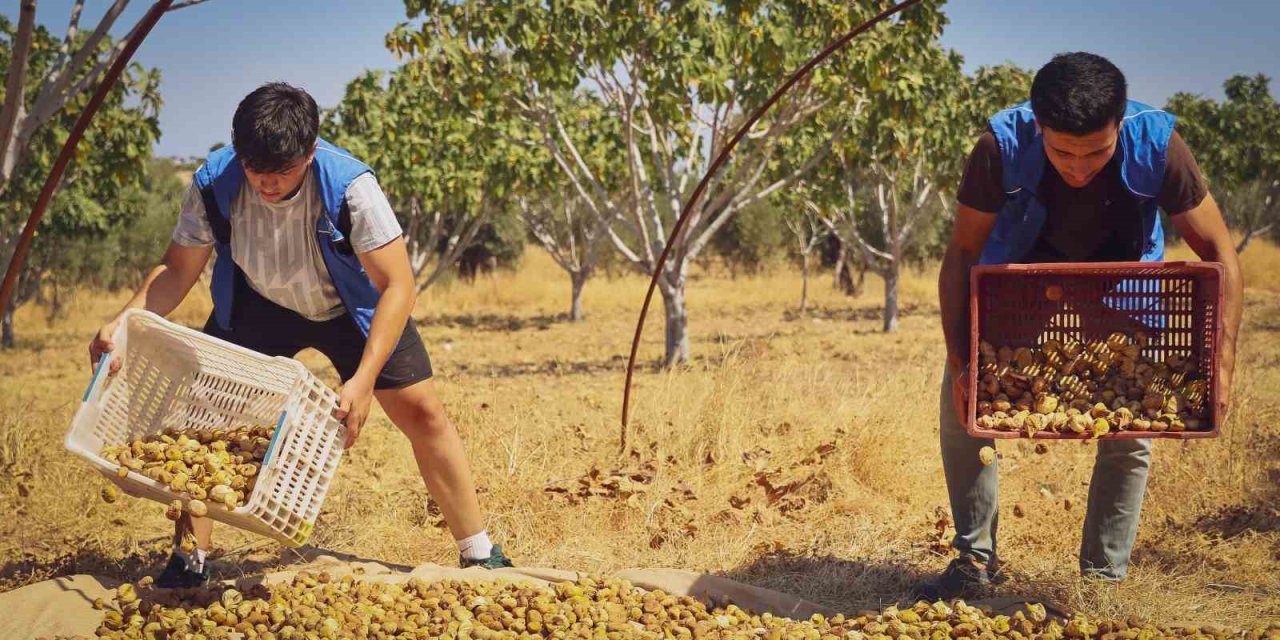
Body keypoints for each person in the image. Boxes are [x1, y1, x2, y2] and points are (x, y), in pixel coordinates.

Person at [88, 82, 512, 587]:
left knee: (423, 413)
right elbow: (177, 270)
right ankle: (190, 560)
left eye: (282, 172)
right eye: (255, 171)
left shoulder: (351, 187)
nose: (266, 185)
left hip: (348, 307)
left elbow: (398, 284)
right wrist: (125, 319)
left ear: (310, 152)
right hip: (257, 302)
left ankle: (478, 551)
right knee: (200, 418)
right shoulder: (211, 184)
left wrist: (363, 379)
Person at [917, 52, 1243, 600]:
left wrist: (1224, 363)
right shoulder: (1001, 147)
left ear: (1120, 123)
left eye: (1096, 151)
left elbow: (1220, 252)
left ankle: (1103, 580)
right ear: (1039, 125)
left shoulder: (1158, 145)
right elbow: (962, 254)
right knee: (964, 412)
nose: (1078, 167)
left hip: (1123, 283)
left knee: (1132, 429)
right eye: (1062, 151)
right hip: (1019, 279)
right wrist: (962, 363)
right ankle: (974, 560)